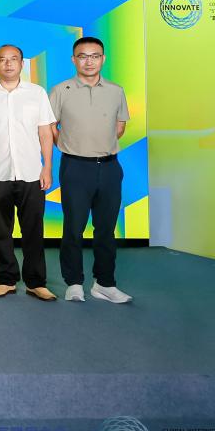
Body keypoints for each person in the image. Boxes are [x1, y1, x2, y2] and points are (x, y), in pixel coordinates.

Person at [50, 36, 133, 304]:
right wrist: (68, 144)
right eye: (83, 56)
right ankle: (74, 283)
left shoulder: (116, 90)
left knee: (106, 229)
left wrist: (100, 143)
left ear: (103, 59)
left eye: (95, 56)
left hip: (109, 168)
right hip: (75, 167)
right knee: (73, 228)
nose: (89, 61)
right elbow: (50, 125)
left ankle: (104, 284)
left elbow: (120, 125)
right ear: (74, 60)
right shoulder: (61, 90)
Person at [0, 44, 58, 301]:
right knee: (0, 230)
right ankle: (5, 279)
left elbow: (45, 132)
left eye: (14, 59)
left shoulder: (37, 93)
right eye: (2, 59)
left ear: (22, 63)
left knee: (33, 230)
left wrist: (47, 167)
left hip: (31, 172)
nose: (8, 63)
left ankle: (36, 282)